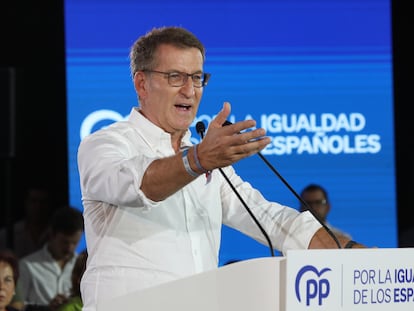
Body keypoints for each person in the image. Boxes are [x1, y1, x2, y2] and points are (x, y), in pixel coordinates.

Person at [77, 26, 366, 311]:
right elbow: (137, 186)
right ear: (142, 84)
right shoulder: (104, 145)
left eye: (197, 77)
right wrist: (198, 160)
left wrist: (347, 252)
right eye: (175, 77)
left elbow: (269, 218)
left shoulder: (204, 158)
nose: (189, 91)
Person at [18, 206, 84, 311]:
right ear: (51, 234)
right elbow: (17, 305)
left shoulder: (82, 266)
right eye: (65, 242)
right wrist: (45, 308)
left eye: (75, 242)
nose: (70, 248)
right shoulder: (27, 265)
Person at [0, 183, 53, 258]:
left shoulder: (57, 234)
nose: (38, 207)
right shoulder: (7, 235)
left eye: (43, 202)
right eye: (33, 201)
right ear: (26, 203)